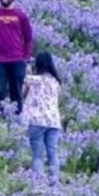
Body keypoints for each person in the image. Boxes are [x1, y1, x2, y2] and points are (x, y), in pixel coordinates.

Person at [23, 52, 62, 184]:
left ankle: (39, 183)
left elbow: (23, 82)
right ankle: (54, 181)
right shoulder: (56, 82)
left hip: (37, 121)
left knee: (37, 155)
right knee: (53, 153)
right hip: (54, 121)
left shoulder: (34, 80)